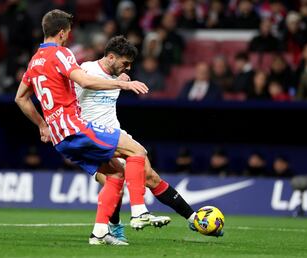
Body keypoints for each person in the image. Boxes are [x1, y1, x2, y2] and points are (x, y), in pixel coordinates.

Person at [15, 9, 167, 246]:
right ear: (63, 33)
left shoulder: (34, 61)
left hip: (58, 137)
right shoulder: (61, 53)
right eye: (69, 33)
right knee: (137, 151)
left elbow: (20, 98)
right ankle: (139, 212)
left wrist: (43, 125)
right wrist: (120, 84)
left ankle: (99, 233)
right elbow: (84, 80)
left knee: (115, 173)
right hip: (75, 127)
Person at [75, 35, 224, 242]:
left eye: (129, 64)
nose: (127, 68)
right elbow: (81, 87)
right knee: (115, 179)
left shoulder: (119, 77)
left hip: (115, 134)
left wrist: (119, 81)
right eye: (124, 63)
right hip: (91, 138)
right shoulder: (86, 70)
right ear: (110, 57)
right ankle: (116, 225)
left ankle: (193, 219)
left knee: (151, 176)